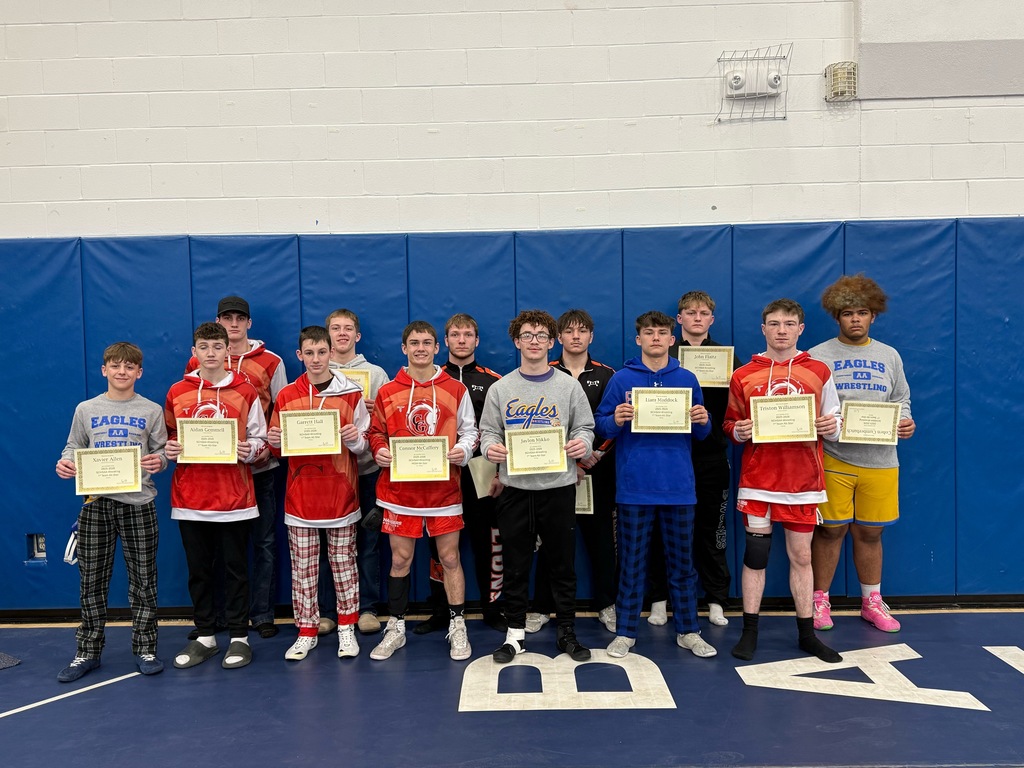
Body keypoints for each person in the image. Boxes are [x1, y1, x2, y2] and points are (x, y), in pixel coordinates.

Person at [722, 299, 842, 664]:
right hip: (758, 480)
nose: (781, 330)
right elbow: (730, 424)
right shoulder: (743, 374)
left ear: (800, 329)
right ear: (763, 329)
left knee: (801, 555)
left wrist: (831, 426)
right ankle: (749, 631)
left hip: (803, 481)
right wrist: (739, 431)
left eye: (789, 324)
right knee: (755, 556)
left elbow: (836, 421)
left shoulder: (819, 370)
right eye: (773, 323)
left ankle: (806, 634)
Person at [594, 311, 717, 660]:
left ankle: (689, 630)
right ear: (639, 339)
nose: (656, 339)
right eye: (649, 333)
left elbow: (703, 432)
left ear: (671, 339)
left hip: (679, 486)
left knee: (683, 565)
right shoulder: (621, 379)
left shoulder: (687, 377)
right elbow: (602, 426)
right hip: (635, 487)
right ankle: (626, 633)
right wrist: (615, 419)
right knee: (632, 564)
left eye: (662, 333)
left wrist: (703, 419)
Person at [479, 309, 595, 664]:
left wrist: (582, 444)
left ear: (551, 341)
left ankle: (567, 632)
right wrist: (490, 449)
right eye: (527, 335)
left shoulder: (568, 385)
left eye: (541, 335)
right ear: (516, 342)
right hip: (515, 490)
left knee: (562, 565)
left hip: (558, 487)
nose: (534, 341)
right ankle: (515, 635)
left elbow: (585, 428)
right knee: (514, 565)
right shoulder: (501, 388)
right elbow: (488, 433)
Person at [54, 342, 169, 682]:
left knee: (144, 582)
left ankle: (145, 648)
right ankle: (87, 651)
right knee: (91, 581)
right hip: (95, 505)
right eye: (115, 366)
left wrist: (159, 461)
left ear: (139, 372)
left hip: (139, 505)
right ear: (104, 370)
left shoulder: (151, 410)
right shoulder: (86, 409)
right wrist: (65, 463)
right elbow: (73, 447)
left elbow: (163, 451)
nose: (122, 371)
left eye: (129, 367)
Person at [367, 321, 478, 662]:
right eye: (414, 342)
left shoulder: (455, 388)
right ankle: (396, 627)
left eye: (426, 342)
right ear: (404, 348)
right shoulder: (388, 391)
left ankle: (458, 625)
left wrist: (463, 450)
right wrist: (379, 451)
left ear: (436, 348)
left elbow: (469, 432)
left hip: (444, 491)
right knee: (400, 559)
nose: (420, 348)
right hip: (400, 492)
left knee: (449, 558)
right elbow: (375, 433)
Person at [809, 275, 915, 633]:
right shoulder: (818, 356)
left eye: (863, 312)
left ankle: (871, 601)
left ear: (874, 316)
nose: (855, 319)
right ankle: (819, 600)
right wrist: (817, 422)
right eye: (848, 313)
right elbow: (807, 403)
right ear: (837, 317)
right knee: (830, 532)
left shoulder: (889, 355)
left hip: (881, 460)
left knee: (870, 533)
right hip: (834, 458)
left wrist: (906, 421)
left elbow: (901, 399)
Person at [166, 322, 268, 670]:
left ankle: (239, 637)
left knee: (236, 569)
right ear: (194, 352)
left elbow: (262, 439)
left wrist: (248, 450)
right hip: (190, 498)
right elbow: (166, 439)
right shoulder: (177, 391)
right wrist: (169, 448)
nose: (210, 353)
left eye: (216, 346)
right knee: (199, 571)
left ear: (228, 351)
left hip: (234, 497)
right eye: (203, 346)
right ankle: (206, 636)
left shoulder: (246, 390)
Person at [183, 295, 286, 640]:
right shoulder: (194, 365)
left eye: (240, 318)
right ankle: (219, 620)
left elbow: (282, 410)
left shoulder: (271, 361)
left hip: (260, 467)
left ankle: (261, 614)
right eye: (227, 317)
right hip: (216, 474)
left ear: (249, 323)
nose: (234, 323)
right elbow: (188, 419)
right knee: (216, 550)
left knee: (264, 544)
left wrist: (262, 448)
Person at [268, 326, 370, 661]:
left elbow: (363, 444)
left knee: (343, 565)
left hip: (340, 496)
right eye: (308, 353)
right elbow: (278, 447)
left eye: (321, 352)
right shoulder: (286, 396)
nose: (315, 359)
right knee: (304, 569)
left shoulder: (351, 393)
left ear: (331, 353)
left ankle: (346, 628)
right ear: (300, 355)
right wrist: (276, 441)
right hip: (300, 498)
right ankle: (306, 630)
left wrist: (353, 437)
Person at [416, 313, 506, 636]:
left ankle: (492, 607)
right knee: (438, 544)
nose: (462, 340)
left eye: (468, 334)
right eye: (456, 335)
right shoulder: (430, 379)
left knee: (487, 541)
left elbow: (501, 429)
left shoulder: (494, 380)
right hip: (438, 471)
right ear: (446, 341)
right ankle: (441, 609)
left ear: (477, 340)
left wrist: (500, 473)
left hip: (481, 470)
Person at [529, 309, 617, 635]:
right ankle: (540, 606)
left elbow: (611, 422)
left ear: (591, 337)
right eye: (569, 331)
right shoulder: (543, 372)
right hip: (552, 473)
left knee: (601, 543)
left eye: (583, 331)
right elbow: (533, 423)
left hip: (597, 471)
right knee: (550, 541)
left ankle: (607, 604)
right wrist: (566, 463)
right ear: (559, 338)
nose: (576, 336)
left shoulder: (608, 375)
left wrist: (591, 457)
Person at [669, 290, 737, 627]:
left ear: (711, 319)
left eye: (704, 313)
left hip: (711, 457)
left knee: (713, 532)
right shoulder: (662, 356)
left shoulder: (727, 360)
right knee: (664, 532)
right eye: (690, 312)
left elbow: (737, 409)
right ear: (679, 319)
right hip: (668, 456)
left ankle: (715, 599)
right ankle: (660, 598)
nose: (697, 317)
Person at [326, 308, 391, 635]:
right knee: (329, 542)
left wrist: (372, 411)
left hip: (365, 470)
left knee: (367, 541)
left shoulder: (376, 374)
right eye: (335, 328)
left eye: (347, 328)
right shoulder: (315, 372)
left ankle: (367, 607)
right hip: (327, 474)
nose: (341, 334)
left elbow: (391, 421)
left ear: (357, 335)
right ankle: (328, 610)